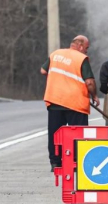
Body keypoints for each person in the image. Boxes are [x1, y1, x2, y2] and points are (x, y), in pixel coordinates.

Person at [40, 35, 98, 170]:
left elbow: (43, 70)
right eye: (86, 49)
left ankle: (55, 163)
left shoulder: (56, 54)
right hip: (75, 102)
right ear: (80, 46)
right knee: (78, 133)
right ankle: (77, 162)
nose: (86, 52)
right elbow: (89, 82)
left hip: (55, 100)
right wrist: (94, 96)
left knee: (55, 133)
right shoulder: (81, 58)